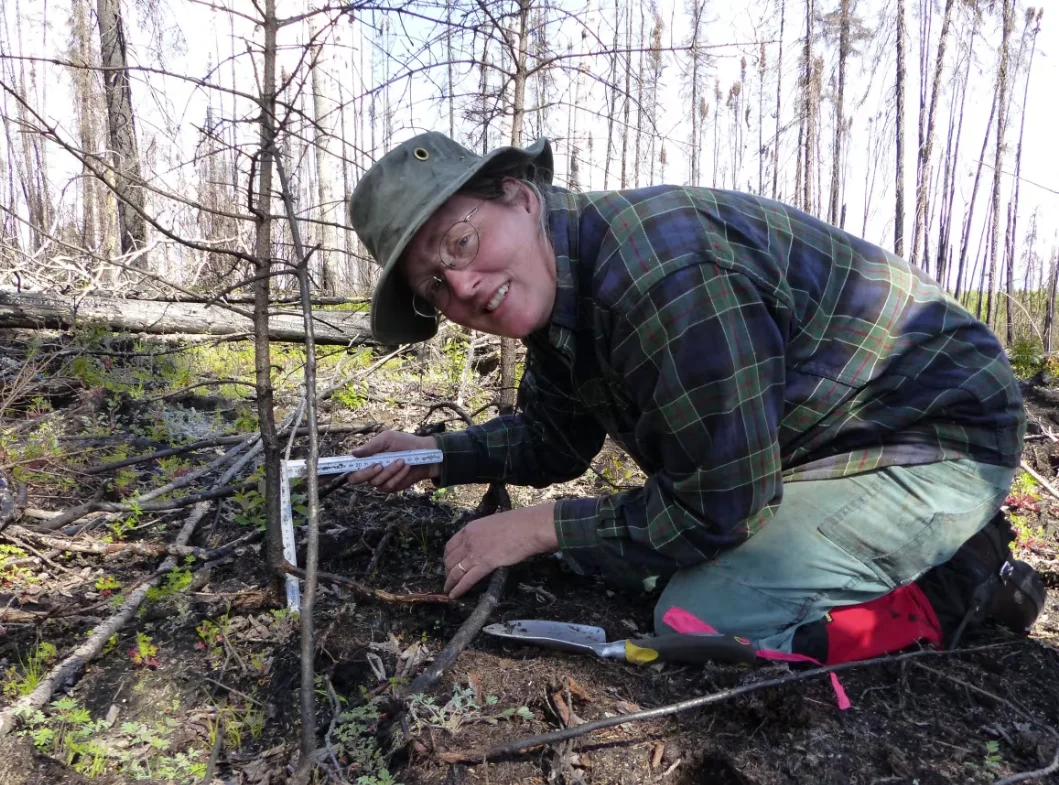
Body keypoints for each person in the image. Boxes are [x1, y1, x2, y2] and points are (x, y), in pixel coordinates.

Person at [345, 131, 1044, 663]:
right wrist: (437, 453)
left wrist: (538, 525)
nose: (461, 287)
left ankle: (958, 581)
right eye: (433, 286)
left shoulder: (659, 274)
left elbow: (719, 508)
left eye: (461, 242)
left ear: (521, 197)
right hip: (821, 448)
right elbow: (554, 437)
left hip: (937, 437)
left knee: (701, 613)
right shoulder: (561, 285)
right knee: (642, 561)